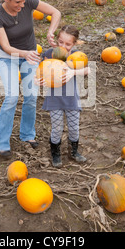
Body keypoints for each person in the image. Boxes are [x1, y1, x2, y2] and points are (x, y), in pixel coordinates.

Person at [0, 0, 61, 158]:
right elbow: (6, 47)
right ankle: (2, 144)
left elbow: (55, 12)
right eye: (17, 2)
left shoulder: (28, 1)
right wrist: (24, 54)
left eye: (23, 1)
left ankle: (27, 135)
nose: (22, 5)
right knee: (12, 97)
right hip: (9, 58)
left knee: (30, 96)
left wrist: (50, 31)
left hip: (30, 56)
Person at [36, 25, 89, 167]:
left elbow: (88, 69)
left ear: (75, 43)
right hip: (54, 99)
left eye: (68, 44)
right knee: (57, 128)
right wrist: (37, 81)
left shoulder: (76, 56)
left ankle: (74, 152)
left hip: (71, 99)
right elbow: (39, 71)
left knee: (74, 127)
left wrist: (73, 72)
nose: (63, 46)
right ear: (57, 40)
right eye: (61, 42)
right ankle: (56, 153)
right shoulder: (49, 54)